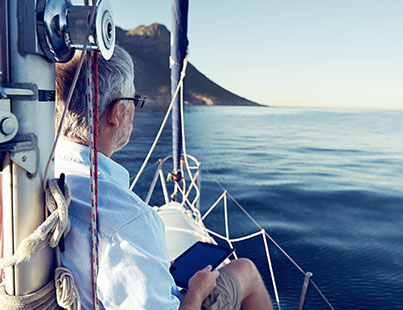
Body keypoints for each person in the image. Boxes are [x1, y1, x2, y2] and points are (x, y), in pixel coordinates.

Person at [54, 45, 273, 310]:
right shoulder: (129, 222)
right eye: (135, 101)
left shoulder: (42, 177)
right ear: (116, 112)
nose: (135, 110)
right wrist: (196, 290)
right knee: (246, 269)